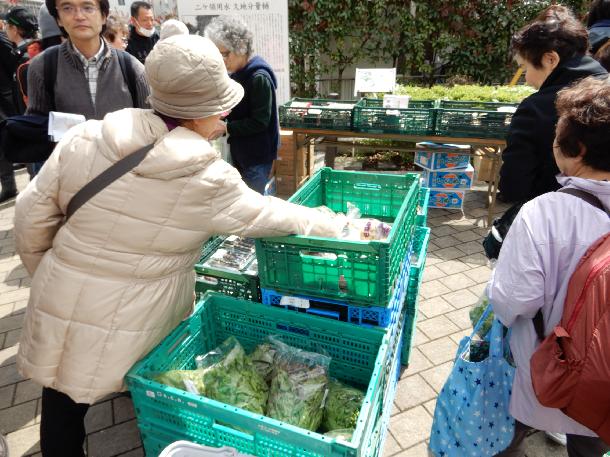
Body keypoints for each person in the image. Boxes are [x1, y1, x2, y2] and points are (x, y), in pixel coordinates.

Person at [14, 34, 341, 456]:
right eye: (221, 109)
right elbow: (275, 217)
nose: (225, 120)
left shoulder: (89, 136)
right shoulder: (206, 178)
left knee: (62, 394)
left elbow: (29, 215)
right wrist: (339, 224)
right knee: (141, 389)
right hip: (137, 310)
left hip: (60, 287)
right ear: (198, 113)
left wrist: (52, 270)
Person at [489, 76, 610, 457]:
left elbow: (513, 303)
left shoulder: (543, 213)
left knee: (513, 432)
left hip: (548, 368)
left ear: (574, 149)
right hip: (602, 378)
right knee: (591, 434)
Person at [498, 5, 607, 204]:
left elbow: (513, 186)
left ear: (550, 59)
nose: (527, 78)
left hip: (553, 224)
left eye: (525, 67)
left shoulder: (535, 109)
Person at [26, 0, 149, 121]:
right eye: (67, 8)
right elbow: (36, 129)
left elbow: (150, 128)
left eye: (88, 7)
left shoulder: (132, 69)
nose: (79, 16)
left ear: (104, 16)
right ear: (58, 18)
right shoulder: (43, 67)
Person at [205, 16, 279, 194]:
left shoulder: (258, 77)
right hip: (242, 152)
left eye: (225, 54)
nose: (222, 60)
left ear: (240, 48)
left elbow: (260, 121)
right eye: (218, 54)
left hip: (257, 157)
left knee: (256, 205)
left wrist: (226, 128)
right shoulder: (237, 73)